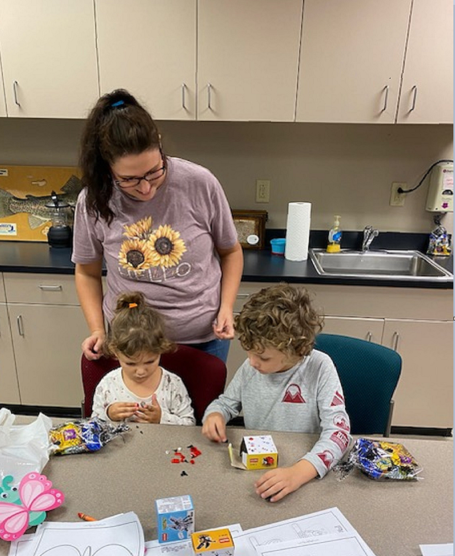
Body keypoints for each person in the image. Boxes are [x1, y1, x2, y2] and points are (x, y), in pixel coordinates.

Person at [72, 88, 243, 364]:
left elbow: (231, 252)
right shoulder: (94, 201)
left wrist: (226, 308)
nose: (146, 188)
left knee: (203, 407)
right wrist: (97, 329)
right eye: (129, 179)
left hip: (202, 338)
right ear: (107, 168)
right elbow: (87, 272)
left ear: (160, 145)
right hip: (132, 341)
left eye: (154, 171)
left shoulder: (200, 183)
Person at [202, 283, 351, 502]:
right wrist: (215, 415)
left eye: (263, 358)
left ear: (296, 351)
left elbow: (339, 434)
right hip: (256, 469)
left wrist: (299, 473)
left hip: (304, 468)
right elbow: (225, 404)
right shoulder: (250, 367)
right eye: (250, 353)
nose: (252, 363)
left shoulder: (320, 367)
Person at [92, 291, 195, 425]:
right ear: (115, 352)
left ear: (161, 350)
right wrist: (108, 415)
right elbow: (93, 425)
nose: (141, 371)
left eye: (150, 361)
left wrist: (161, 419)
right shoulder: (108, 385)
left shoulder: (172, 384)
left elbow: (190, 424)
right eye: (131, 364)